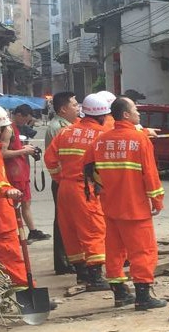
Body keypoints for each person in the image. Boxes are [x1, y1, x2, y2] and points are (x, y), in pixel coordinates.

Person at [85, 96, 166, 311]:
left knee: (114, 251)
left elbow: (88, 167)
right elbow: (150, 174)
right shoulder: (139, 140)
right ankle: (142, 297)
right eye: (135, 110)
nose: (139, 113)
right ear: (126, 115)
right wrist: (157, 200)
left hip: (110, 207)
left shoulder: (101, 140)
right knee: (143, 251)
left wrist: (100, 188)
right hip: (135, 208)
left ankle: (120, 293)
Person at [43, 94, 115, 294]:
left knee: (71, 232)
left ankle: (82, 274)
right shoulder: (102, 134)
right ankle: (95, 278)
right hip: (85, 189)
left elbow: (49, 159)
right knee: (93, 230)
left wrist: (60, 178)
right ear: (102, 116)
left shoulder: (66, 132)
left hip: (65, 189)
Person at [44, 91, 81, 275]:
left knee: (69, 220)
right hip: (62, 179)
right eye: (74, 105)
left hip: (65, 179)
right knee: (62, 221)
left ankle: (70, 260)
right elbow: (56, 158)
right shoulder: (59, 127)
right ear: (63, 109)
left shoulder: (70, 125)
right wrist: (60, 179)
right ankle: (63, 262)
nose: (78, 108)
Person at [1, 105, 48, 242]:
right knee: (14, 205)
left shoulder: (16, 130)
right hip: (14, 174)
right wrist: (23, 151)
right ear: (19, 115)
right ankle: (15, 234)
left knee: (26, 203)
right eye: (25, 120)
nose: (26, 123)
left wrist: (25, 148)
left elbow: (14, 148)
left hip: (22, 171)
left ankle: (32, 231)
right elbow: (2, 153)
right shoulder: (8, 130)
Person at [0, 106, 29, 295]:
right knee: (12, 257)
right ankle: (24, 294)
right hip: (1, 219)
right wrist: (7, 190)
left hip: (3, 214)